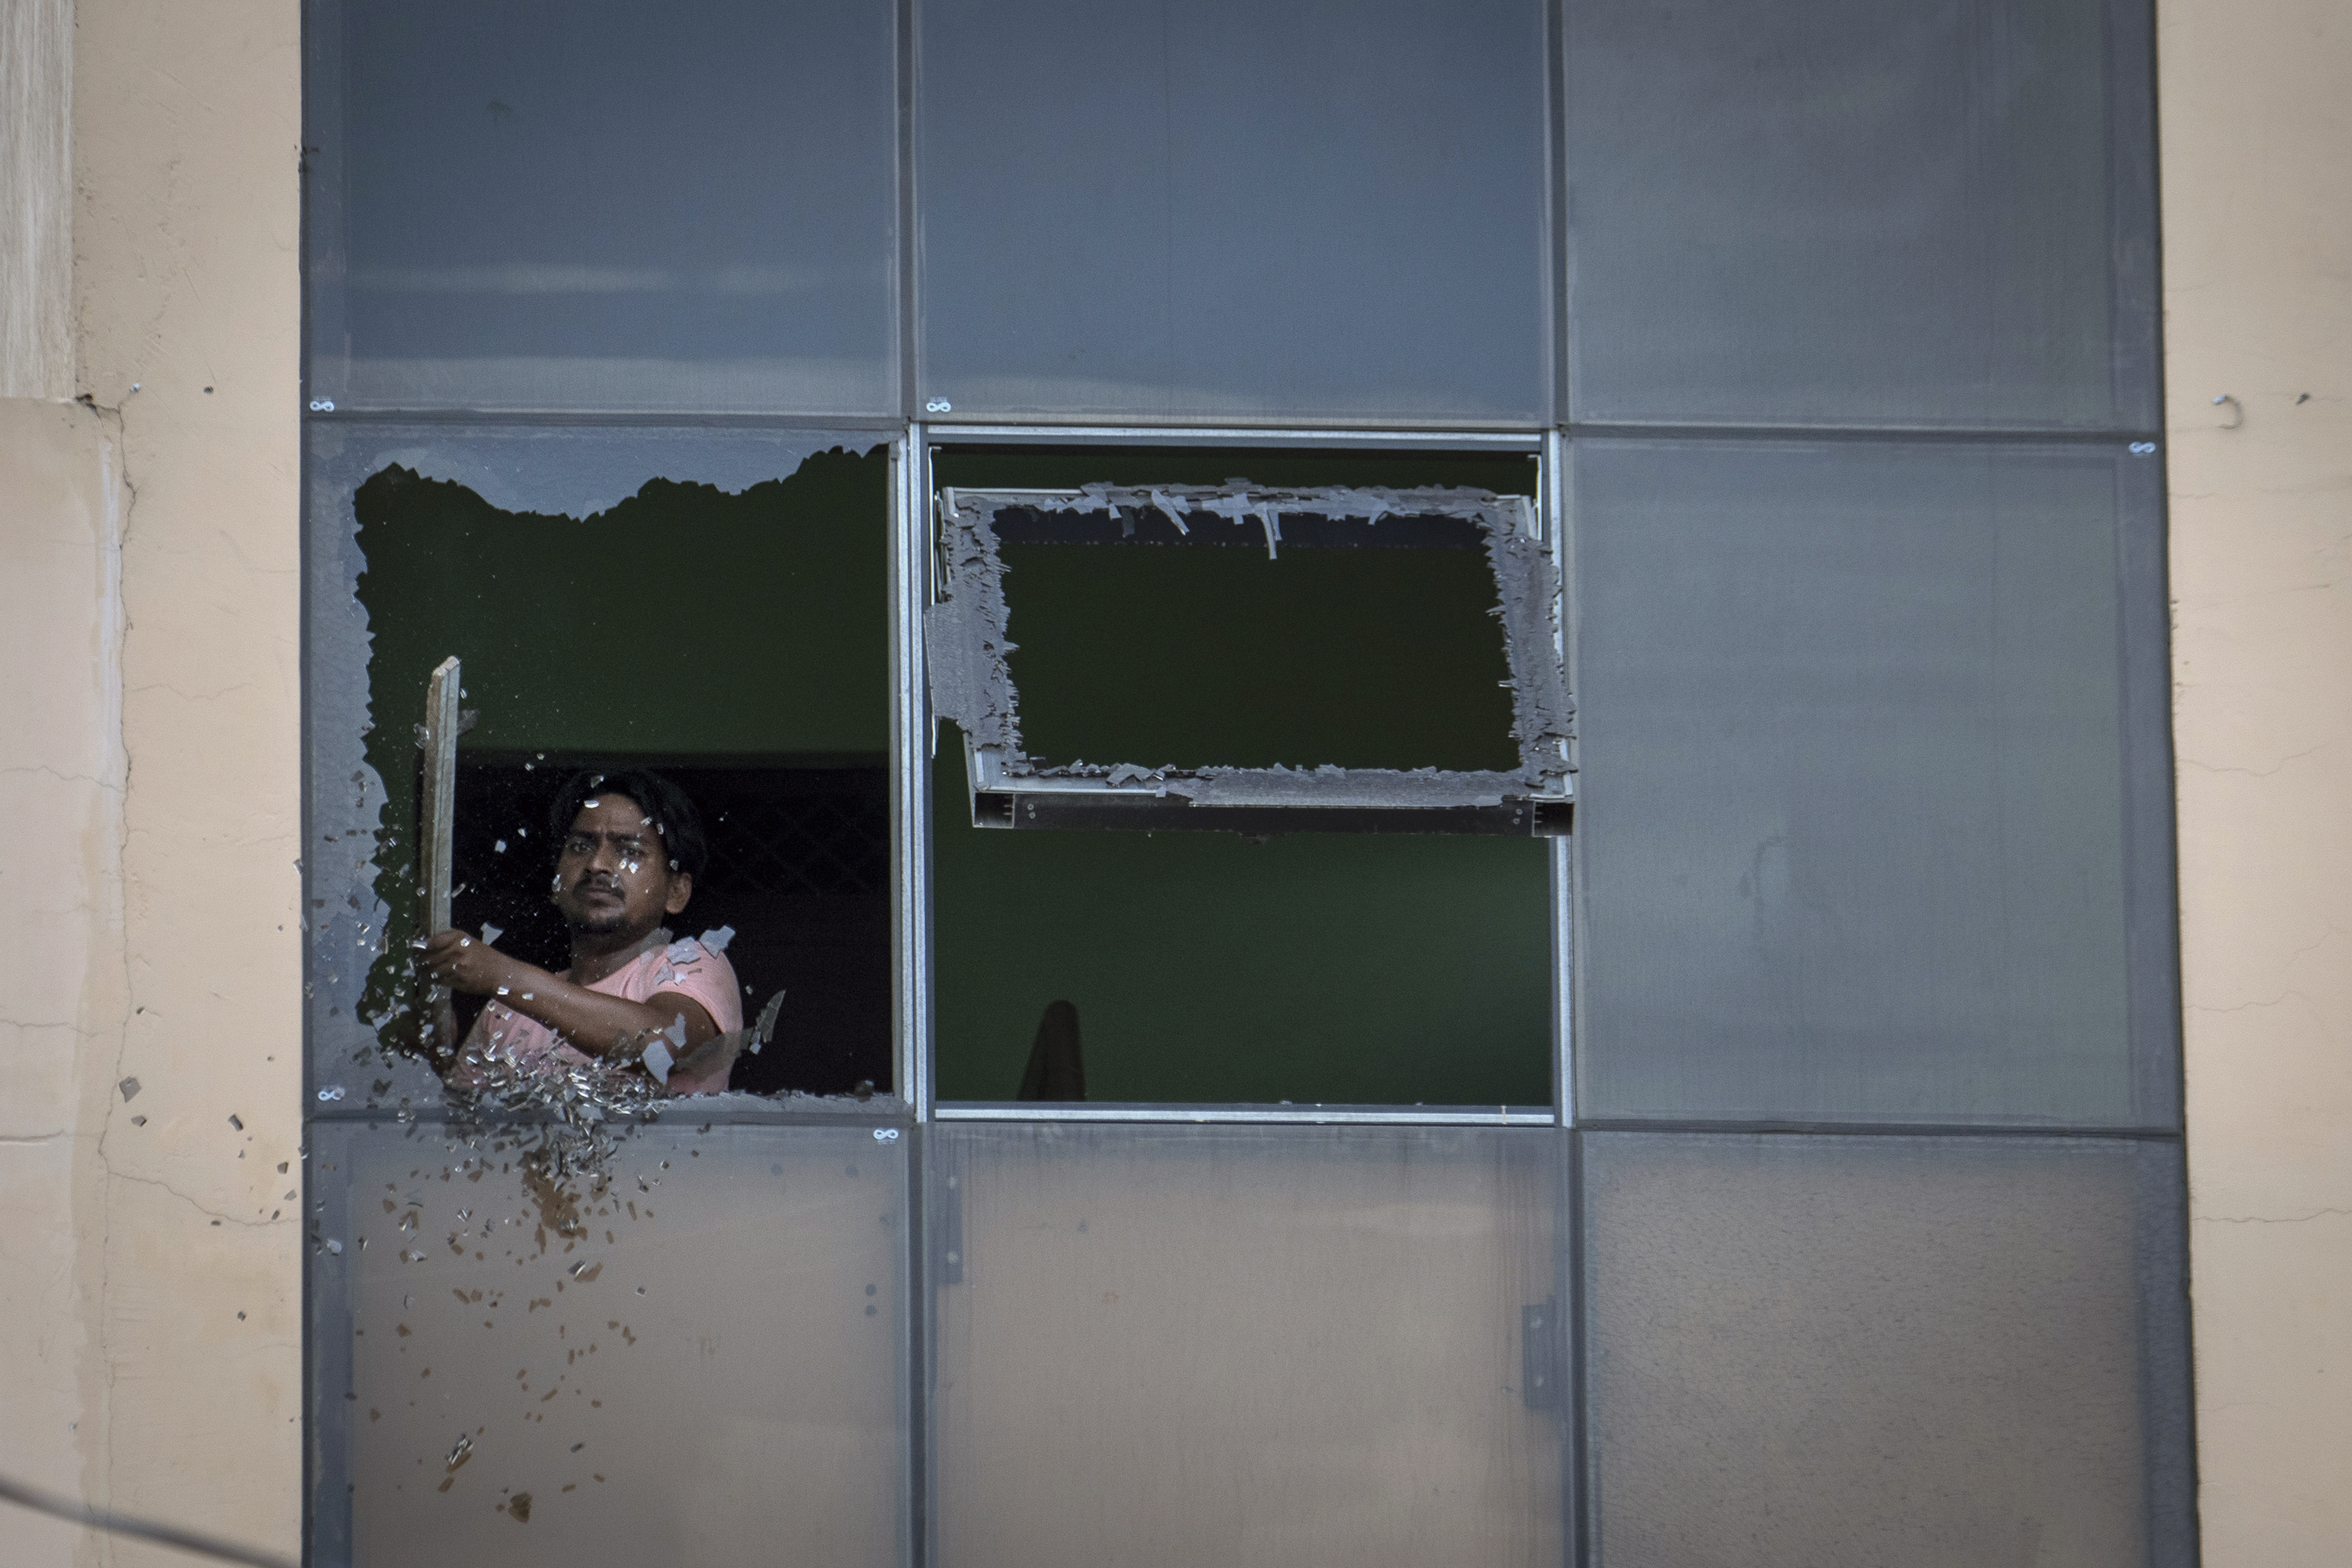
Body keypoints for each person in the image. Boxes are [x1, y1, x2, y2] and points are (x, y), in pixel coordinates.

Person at [421, 769, 743, 1097]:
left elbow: (670, 1044)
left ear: (676, 891)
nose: (597, 864)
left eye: (629, 851)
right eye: (580, 846)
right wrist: (430, 1058)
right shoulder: (504, 1011)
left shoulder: (694, 964)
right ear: (555, 883)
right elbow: (455, 1132)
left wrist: (502, 975)